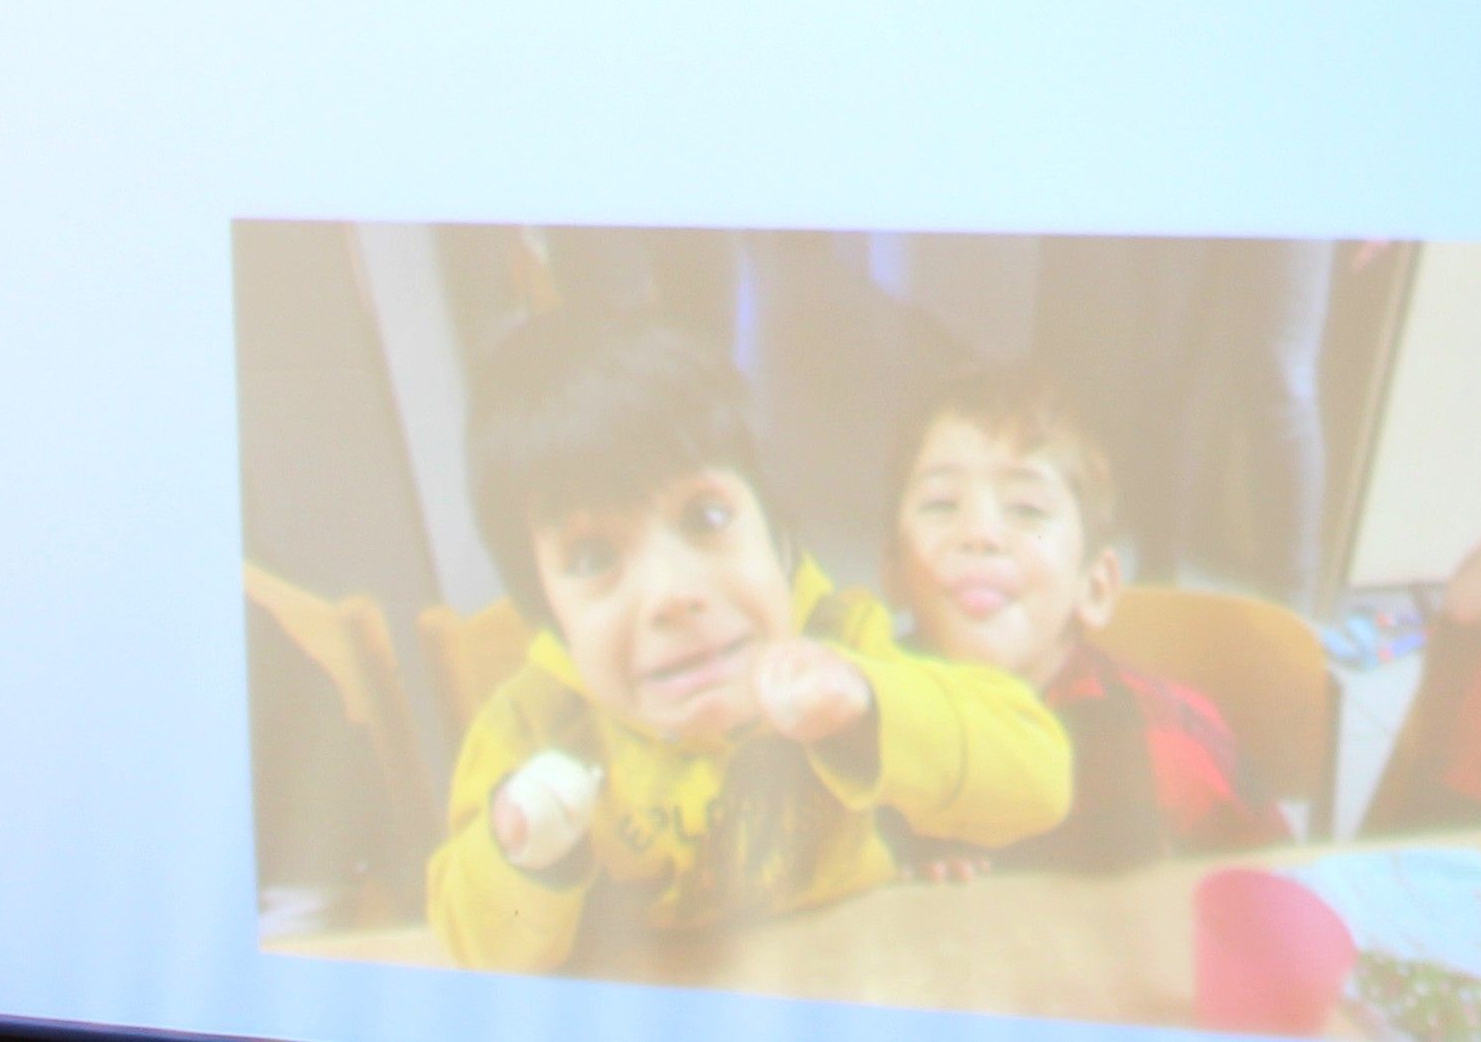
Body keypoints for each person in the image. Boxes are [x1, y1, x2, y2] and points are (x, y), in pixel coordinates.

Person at [425, 314, 1073, 971]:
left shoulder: (839, 642)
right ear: (549, 617)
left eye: (705, 517)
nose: (673, 594)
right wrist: (523, 854)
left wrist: (869, 706)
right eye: (593, 557)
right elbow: (475, 954)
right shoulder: (534, 726)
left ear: (778, 539)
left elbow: (1042, 781)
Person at [884, 364, 1288, 870]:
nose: (979, 532)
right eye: (941, 504)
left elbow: (1282, 891)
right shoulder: (847, 721)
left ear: (1094, 587)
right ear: (894, 574)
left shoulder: (1169, 745)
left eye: (1027, 509)